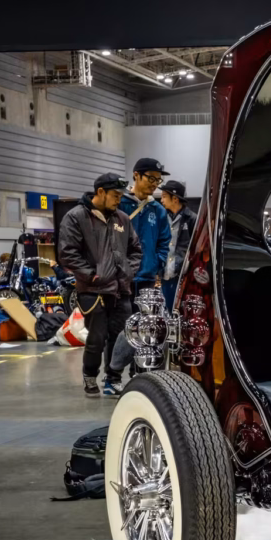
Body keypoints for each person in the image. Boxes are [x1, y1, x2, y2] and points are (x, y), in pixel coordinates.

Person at [57, 173, 141, 396]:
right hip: (92, 290)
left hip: (120, 289)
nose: (118, 200)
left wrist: (128, 271)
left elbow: (135, 250)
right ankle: (89, 375)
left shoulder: (122, 219)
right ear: (100, 192)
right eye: (115, 195)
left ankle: (113, 379)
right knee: (96, 338)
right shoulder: (75, 217)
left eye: (121, 196)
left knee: (120, 336)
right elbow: (67, 254)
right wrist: (92, 275)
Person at [119, 158, 171, 297]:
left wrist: (155, 263)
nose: (154, 184)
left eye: (158, 180)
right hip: (119, 278)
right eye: (151, 178)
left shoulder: (158, 210)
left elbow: (164, 242)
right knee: (122, 318)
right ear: (136, 175)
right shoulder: (119, 204)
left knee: (145, 318)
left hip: (147, 278)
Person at [157, 180, 196, 310]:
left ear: (174, 199)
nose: (161, 200)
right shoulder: (161, 217)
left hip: (183, 275)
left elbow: (196, 248)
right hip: (165, 273)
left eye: (163, 196)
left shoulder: (192, 219)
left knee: (181, 311)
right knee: (167, 310)